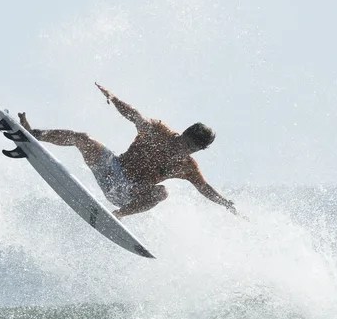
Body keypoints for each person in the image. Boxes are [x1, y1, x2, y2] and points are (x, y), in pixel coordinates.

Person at [18, 82, 239, 219]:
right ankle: (33, 134)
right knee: (82, 138)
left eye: (192, 150)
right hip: (111, 169)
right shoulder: (158, 132)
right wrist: (113, 98)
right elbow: (135, 116)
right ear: (183, 134)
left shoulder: (187, 167)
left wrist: (226, 203)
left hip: (126, 193)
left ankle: (118, 216)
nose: (185, 151)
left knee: (161, 193)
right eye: (186, 143)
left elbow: (204, 188)